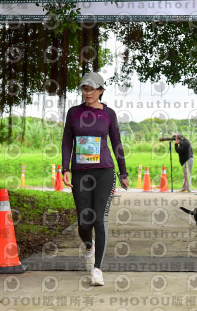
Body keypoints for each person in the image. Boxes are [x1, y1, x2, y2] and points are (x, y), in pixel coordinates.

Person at [62, 72, 129, 286]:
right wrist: (65, 168)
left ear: (100, 90)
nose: (88, 93)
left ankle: (97, 269)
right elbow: (66, 142)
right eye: (84, 88)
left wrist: (123, 172)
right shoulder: (73, 113)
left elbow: (117, 142)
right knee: (84, 221)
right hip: (81, 173)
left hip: (105, 172)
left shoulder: (109, 114)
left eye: (92, 89)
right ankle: (88, 247)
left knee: (99, 219)